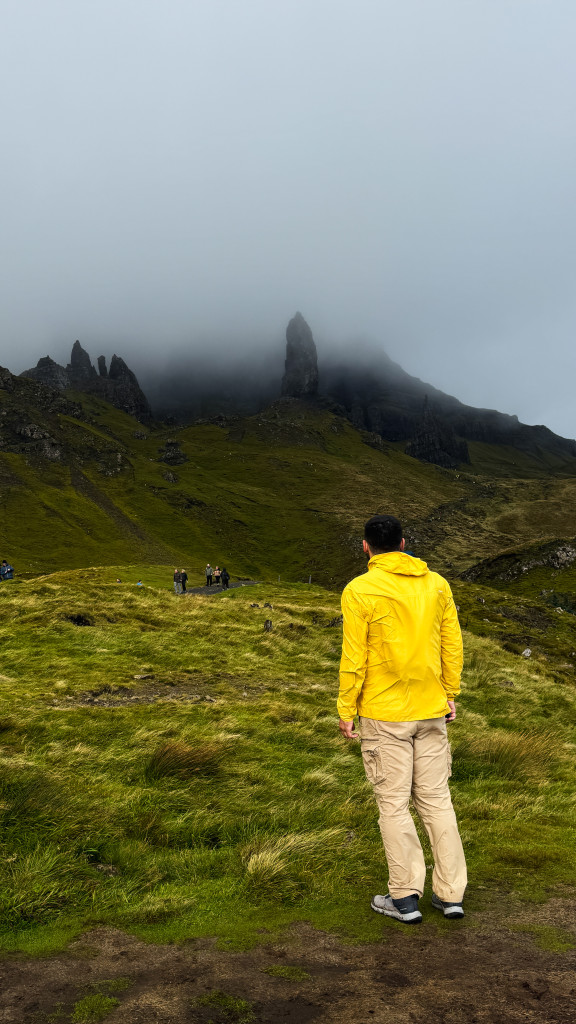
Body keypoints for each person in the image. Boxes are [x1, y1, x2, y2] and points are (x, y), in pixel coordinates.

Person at [337, 514, 466, 925]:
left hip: (382, 712)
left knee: (393, 805)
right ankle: (450, 896)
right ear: (404, 542)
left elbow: (354, 656)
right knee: (437, 801)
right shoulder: (437, 584)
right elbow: (452, 642)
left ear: (366, 546)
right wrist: (450, 692)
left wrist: (346, 709)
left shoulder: (359, 589)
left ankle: (405, 898)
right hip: (431, 709)